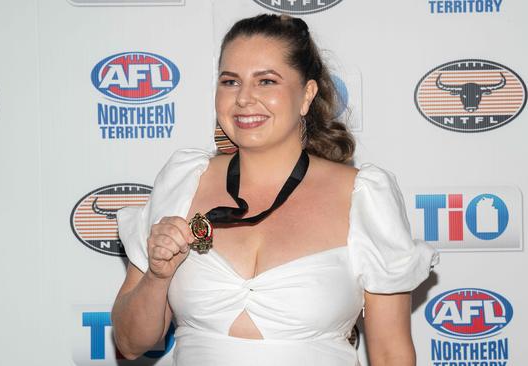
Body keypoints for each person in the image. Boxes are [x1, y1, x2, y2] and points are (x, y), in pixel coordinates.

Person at [111, 14, 438, 366]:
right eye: (230, 82)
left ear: (306, 95)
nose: (244, 99)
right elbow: (130, 344)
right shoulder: (184, 180)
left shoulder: (363, 195)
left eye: (266, 81)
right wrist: (158, 276)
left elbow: (391, 354)